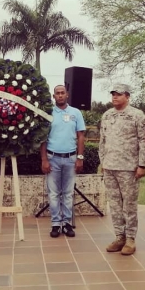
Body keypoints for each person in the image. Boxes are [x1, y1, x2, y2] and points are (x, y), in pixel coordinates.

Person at [99, 84, 145, 255]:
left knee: (129, 205)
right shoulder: (107, 115)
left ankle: (131, 239)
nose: (114, 97)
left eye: (118, 94)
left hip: (128, 168)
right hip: (110, 166)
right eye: (113, 94)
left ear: (127, 96)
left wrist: (141, 165)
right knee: (115, 205)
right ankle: (119, 236)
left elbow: (143, 140)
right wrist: (102, 162)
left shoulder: (137, 115)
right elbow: (102, 141)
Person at [40, 85, 86, 238]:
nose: (60, 95)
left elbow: (81, 136)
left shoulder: (76, 113)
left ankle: (67, 224)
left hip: (70, 159)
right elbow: (43, 138)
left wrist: (80, 158)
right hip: (53, 158)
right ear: (54, 96)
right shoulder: (48, 113)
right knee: (53, 194)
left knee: (68, 193)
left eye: (62, 93)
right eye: (57, 93)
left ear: (67, 95)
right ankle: (55, 224)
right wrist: (44, 159)